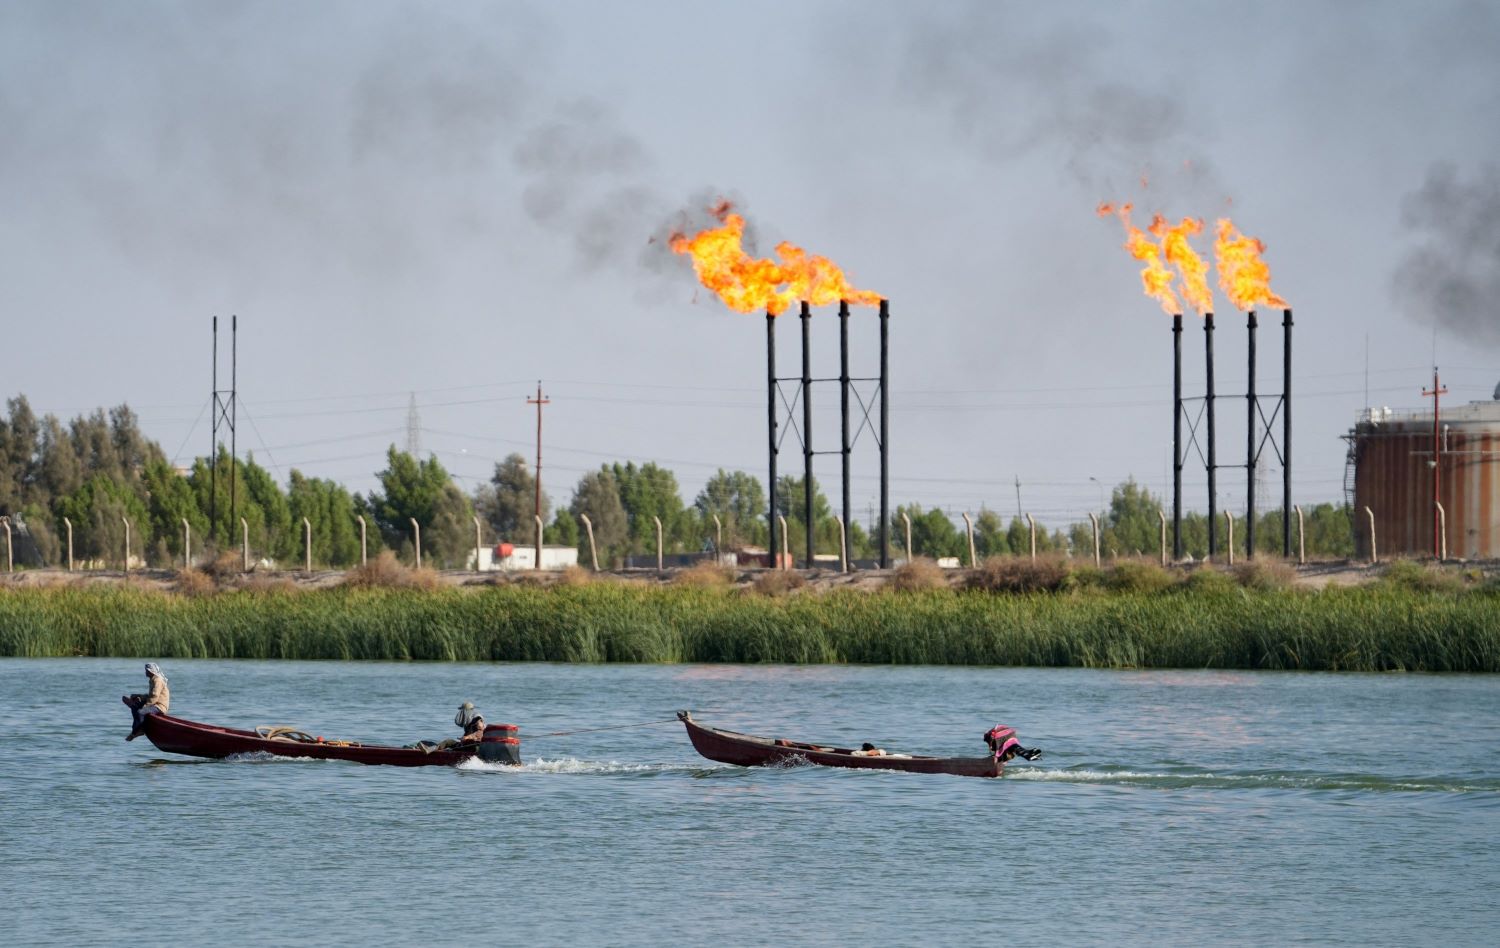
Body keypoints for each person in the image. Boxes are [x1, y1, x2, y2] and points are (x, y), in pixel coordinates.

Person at [122, 663, 170, 741]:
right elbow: (150, 695)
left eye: (146, 671)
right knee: (135, 706)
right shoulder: (153, 679)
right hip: (154, 703)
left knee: (140, 712)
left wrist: (145, 706)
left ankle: (139, 731)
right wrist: (139, 696)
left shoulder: (157, 680)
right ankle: (136, 728)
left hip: (160, 706)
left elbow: (154, 696)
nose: (145, 672)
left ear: (151, 671)